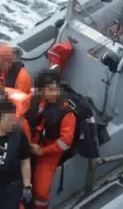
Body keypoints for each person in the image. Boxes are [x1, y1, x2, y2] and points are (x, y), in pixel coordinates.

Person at [26, 69, 76, 209]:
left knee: (41, 192)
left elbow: (65, 142)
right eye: (50, 89)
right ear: (41, 90)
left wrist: (43, 151)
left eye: (56, 89)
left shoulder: (66, 113)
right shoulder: (32, 100)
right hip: (30, 143)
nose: (55, 93)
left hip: (49, 152)